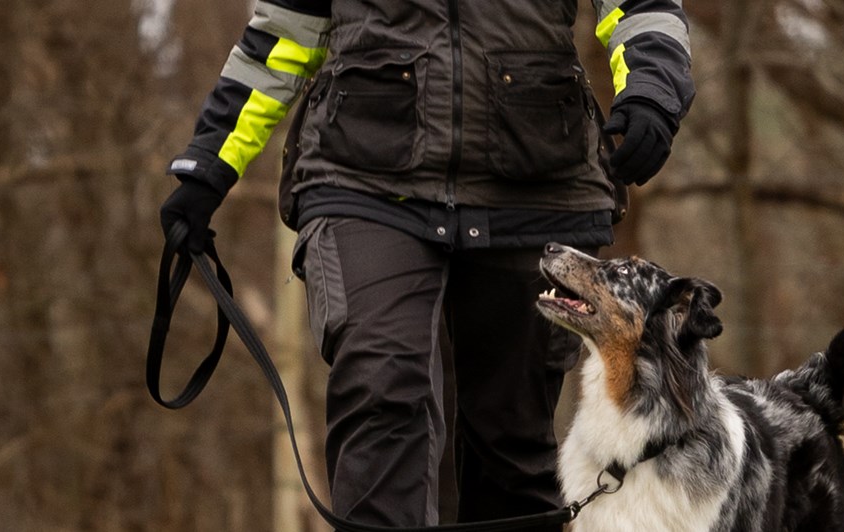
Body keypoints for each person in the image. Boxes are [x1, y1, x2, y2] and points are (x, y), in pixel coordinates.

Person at [159, 0, 694, 528]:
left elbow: (640, 6)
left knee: (510, 442)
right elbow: (282, 35)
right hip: (362, 176)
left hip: (537, 183)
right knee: (382, 393)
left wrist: (652, 87)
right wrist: (209, 163)